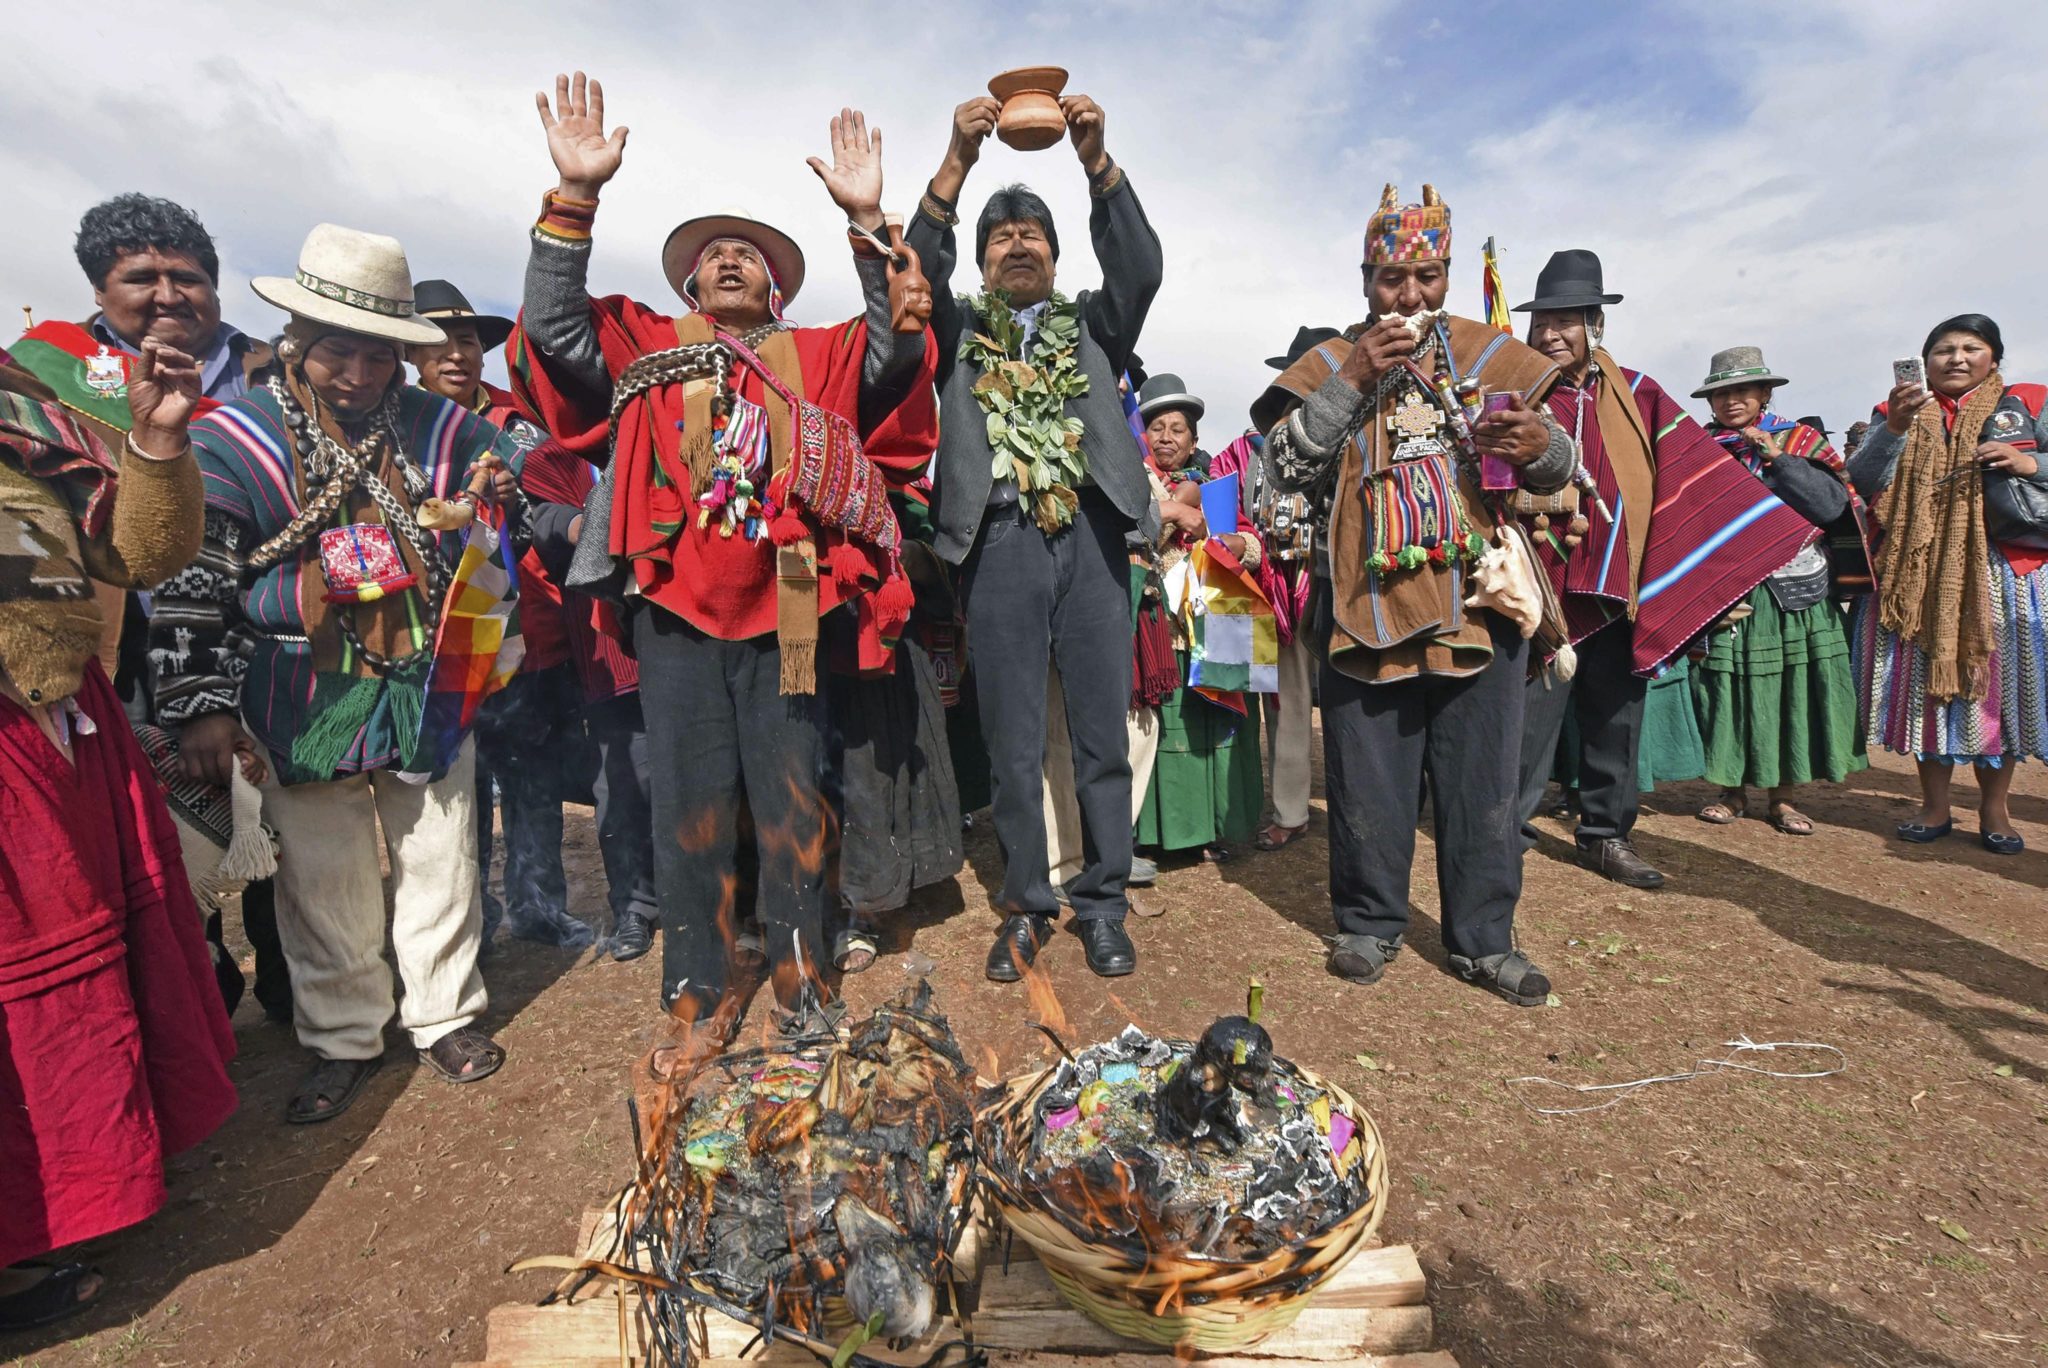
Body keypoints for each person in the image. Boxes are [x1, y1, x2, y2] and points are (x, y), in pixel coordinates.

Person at [509, 74, 937, 1030]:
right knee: (688, 799)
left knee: (793, 796)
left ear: (778, 288)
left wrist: (869, 219)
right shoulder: (647, 340)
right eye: (713, 258)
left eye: (749, 255)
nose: (731, 260)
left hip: (788, 602)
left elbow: (896, 351)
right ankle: (697, 983)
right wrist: (574, 200)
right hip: (674, 608)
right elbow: (552, 333)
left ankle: (800, 979)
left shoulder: (817, 354)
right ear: (690, 286)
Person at [153, 223, 523, 1123]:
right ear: (296, 343)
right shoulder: (231, 441)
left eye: (380, 356)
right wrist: (201, 707)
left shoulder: (450, 429)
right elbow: (193, 578)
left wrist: (491, 503)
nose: (359, 375)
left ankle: (443, 1016)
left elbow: (507, 507)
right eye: (337, 354)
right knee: (324, 872)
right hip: (304, 690)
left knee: (441, 851)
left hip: (427, 683)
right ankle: (344, 1034)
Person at [1254, 183, 1573, 1006]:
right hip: (1362, 609)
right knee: (1368, 779)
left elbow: (1563, 470)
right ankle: (1368, 923)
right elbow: (1275, 476)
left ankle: (1484, 941)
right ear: (1365, 279)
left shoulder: (1488, 358)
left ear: (1449, 274)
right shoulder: (1330, 364)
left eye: (1427, 277)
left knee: (1482, 782)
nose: (1410, 296)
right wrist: (1354, 376)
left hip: (1477, 609)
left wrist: (1540, 448)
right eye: (1393, 278)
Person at [1, 339, 237, 1329]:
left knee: (85, 974)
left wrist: (150, 445)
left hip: (56, 720)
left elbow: (135, 555)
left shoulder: (23, 415)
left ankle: (82, 1195)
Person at [15, 193, 292, 1024]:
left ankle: (291, 987)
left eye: (190, 277)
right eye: (142, 278)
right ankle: (197, 998)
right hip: (120, 643)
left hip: (263, 632)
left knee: (279, 821)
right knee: (160, 832)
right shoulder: (47, 379)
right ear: (100, 291)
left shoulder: (269, 372)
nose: (169, 295)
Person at [906, 90, 1162, 983]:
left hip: (1091, 541)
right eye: (1001, 237)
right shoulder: (956, 331)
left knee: (1100, 736)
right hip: (999, 546)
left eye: (1034, 235)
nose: (1018, 245)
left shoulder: (1093, 325)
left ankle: (1102, 903)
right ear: (983, 259)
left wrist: (1096, 158)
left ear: (1056, 256)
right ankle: (1024, 906)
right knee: (1012, 743)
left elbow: (1139, 268)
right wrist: (955, 165)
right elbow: (911, 273)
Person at [1508, 250, 1815, 888]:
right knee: (1523, 722)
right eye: (1542, 321)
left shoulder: (1640, 394)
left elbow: (1697, 478)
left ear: (1596, 323)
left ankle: (1604, 835)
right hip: (1540, 590)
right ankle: (1504, 832)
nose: (1550, 334)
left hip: (1620, 586)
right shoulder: (1514, 394)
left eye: (1567, 319)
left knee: (1616, 720)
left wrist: (1720, 564)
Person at [410, 279, 594, 951]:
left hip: (530, 634)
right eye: (439, 343)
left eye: (468, 343)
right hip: (438, 641)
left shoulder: (522, 428)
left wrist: (515, 507)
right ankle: (469, 922)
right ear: (412, 354)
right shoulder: (398, 430)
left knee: (533, 778)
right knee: (455, 794)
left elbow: (557, 506)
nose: (457, 355)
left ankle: (540, 908)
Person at [1850, 313, 2048, 854]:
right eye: (1943, 349)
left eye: (1971, 348)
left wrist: (2027, 462)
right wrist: (1892, 427)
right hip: (1917, 573)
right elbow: (1863, 479)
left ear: (1994, 358)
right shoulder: (1894, 409)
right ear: (1925, 360)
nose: (1956, 358)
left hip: (2002, 571)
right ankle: (1934, 804)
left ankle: (1995, 807)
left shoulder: (2030, 402)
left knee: (1996, 691)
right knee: (1924, 691)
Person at [1692, 347, 1868, 833]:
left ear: (1765, 393)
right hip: (1732, 586)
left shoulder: (1801, 440)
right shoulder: (1702, 449)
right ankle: (1731, 790)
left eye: (1742, 390)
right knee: (1731, 686)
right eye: (1721, 393)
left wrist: (1779, 460)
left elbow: (1833, 506)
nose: (1731, 401)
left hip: (1797, 585)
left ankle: (1784, 796)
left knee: (1792, 686)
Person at [1130, 373, 1265, 862]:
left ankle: (1216, 826)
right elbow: (1132, 539)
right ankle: (1157, 834)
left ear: (1193, 441)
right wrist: (1173, 511)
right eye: (1157, 427)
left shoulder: (1215, 487)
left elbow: (1252, 543)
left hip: (1213, 624)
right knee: (1160, 725)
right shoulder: (1131, 482)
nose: (1167, 437)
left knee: (1213, 719)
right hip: (1158, 627)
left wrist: (1234, 542)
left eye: (1178, 429)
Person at [1247, 326, 1341, 851]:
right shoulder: (1261, 447)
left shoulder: (1363, 432)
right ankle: (1289, 807)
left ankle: (1367, 801)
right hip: (1282, 586)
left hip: (1350, 579)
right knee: (1288, 697)